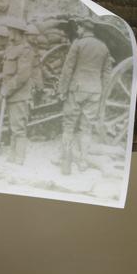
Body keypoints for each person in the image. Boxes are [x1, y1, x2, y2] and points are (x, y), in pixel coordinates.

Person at [0, 18, 41, 164]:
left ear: (17, 33)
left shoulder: (26, 50)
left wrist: (7, 89)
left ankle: (19, 159)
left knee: (19, 128)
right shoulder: (11, 48)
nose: (9, 33)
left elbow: (23, 76)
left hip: (19, 94)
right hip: (11, 94)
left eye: (11, 31)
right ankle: (12, 157)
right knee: (12, 126)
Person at [56, 18, 114, 175]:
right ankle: (83, 162)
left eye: (79, 28)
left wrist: (62, 90)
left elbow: (68, 69)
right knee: (86, 128)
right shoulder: (103, 47)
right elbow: (107, 73)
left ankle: (65, 163)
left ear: (83, 29)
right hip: (95, 90)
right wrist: (102, 90)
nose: (77, 30)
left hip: (77, 90)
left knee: (68, 125)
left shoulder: (78, 44)